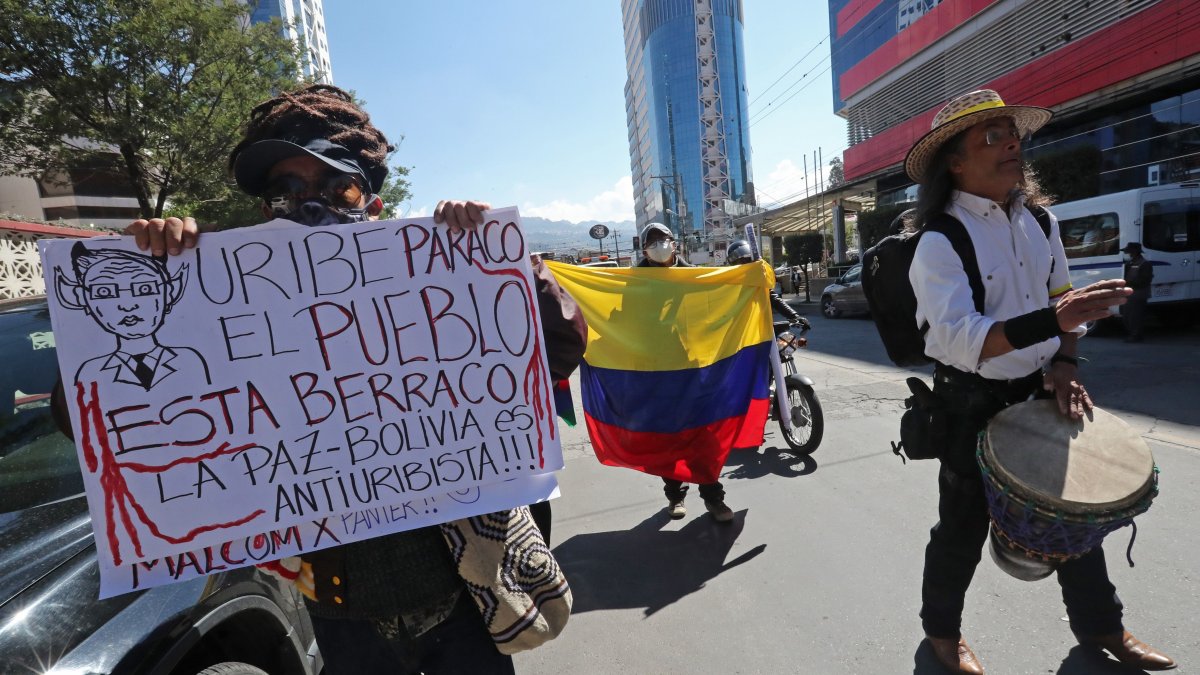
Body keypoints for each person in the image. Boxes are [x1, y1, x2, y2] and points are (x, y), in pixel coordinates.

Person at [123, 84, 588, 675]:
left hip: (461, 598)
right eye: (285, 188)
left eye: (334, 185)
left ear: (368, 198)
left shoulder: (431, 273)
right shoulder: (219, 296)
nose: (309, 202)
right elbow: (102, 419)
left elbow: (559, 347)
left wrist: (502, 265)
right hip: (343, 615)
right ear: (266, 205)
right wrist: (153, 284)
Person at [904, 89, 1175, 673]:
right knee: (961, 530)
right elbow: (965, 340)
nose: (1010, 145)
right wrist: (1057, 321)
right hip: (968, 400)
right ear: (955, 162)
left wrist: (1065, 362)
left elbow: (1062, 303)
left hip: (1038, 391)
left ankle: (1105, 629)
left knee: (1074, 518)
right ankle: (942, 637)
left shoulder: (1041, 221)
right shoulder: (939, 240)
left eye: (1012, 134)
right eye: (990, 138)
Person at [637, 222, 734, 523]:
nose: (659, 246)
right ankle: (675, 496)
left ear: (674, 244)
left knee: (704, 436)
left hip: (695, 368)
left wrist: (752, 279)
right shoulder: (633, 282)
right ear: (644, 250)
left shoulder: (694, 277)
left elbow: (722, 298)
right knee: (669, 437)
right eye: (652, 242)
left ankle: (714, 498)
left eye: (663, 240)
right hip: (657, 373)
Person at [726, 239, 810, 328]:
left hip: (762, 328)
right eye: (742, 261)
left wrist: (794, 316)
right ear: (733, 263)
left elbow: (774, 299)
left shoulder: (757, 281)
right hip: (738, 330)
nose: (747, 263)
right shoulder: (728, 283)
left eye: (748, 260)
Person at [1121, 242, 1153, 342]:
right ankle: (1133, 334)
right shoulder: (1130, 263)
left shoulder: (1144, 264)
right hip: (1130, 294)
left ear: (1135, 252)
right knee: (1127, 315)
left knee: (1135, 317)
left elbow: (1145, 281)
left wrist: (1128, 283)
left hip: (1139, 295)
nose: (1128, 254)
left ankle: (1136, 336)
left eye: (1130, 252)